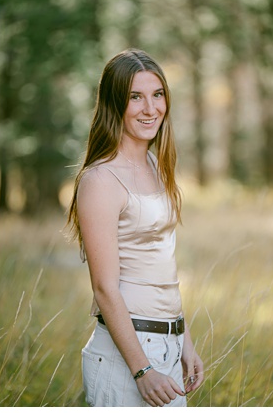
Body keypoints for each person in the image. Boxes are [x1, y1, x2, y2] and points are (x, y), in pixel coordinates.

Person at [67, 49, 204, 406]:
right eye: (135, 97)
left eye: (157, 95)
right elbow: (104, 288)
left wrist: (184, 342)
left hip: (169, 346)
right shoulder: (100, 179)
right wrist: (142, 370)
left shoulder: (157, 165)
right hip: (127, 353)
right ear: (115, 104)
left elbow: (161, 266)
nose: (150, 108)